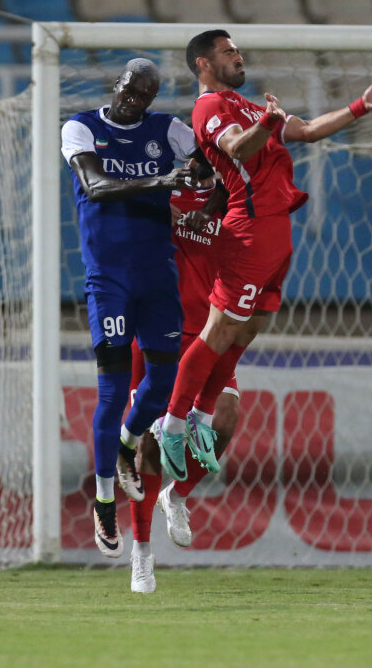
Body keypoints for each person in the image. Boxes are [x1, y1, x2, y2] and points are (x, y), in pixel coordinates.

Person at [154, 29, 372, 482]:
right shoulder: (209, 107)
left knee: (245, 331)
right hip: (250, 229)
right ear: (203, 64)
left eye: (237, 49)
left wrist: (359, 107)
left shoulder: (249, 106)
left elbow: (307, 131)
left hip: (275, 231)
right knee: (219, 330)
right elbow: (237, 147)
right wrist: (268, 124)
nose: (238, 56)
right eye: (227, 51)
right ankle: (171, 425)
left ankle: (201, 418)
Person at [60, 57, 204, 559]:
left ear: (151, 98)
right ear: (115, 84)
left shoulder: (168, 131)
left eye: (143, 94)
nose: (132, 99)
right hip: (109, 280)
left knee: (163, 383)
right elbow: (95, 186)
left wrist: (201, 179)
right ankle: (103, 501)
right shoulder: (81, 127)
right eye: (128, 88)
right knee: (111, 389)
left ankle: (126, 445)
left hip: (158, 276)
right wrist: (165, 182)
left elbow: (206, 165)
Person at [126, 176, 242, 593]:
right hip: (155, 329)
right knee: (149, 443)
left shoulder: (233, 196)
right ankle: (141, 555)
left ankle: (177, 496)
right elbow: (117, 208)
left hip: (208, 330)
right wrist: (153, 208)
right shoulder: (157, 185)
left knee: (224, 420)